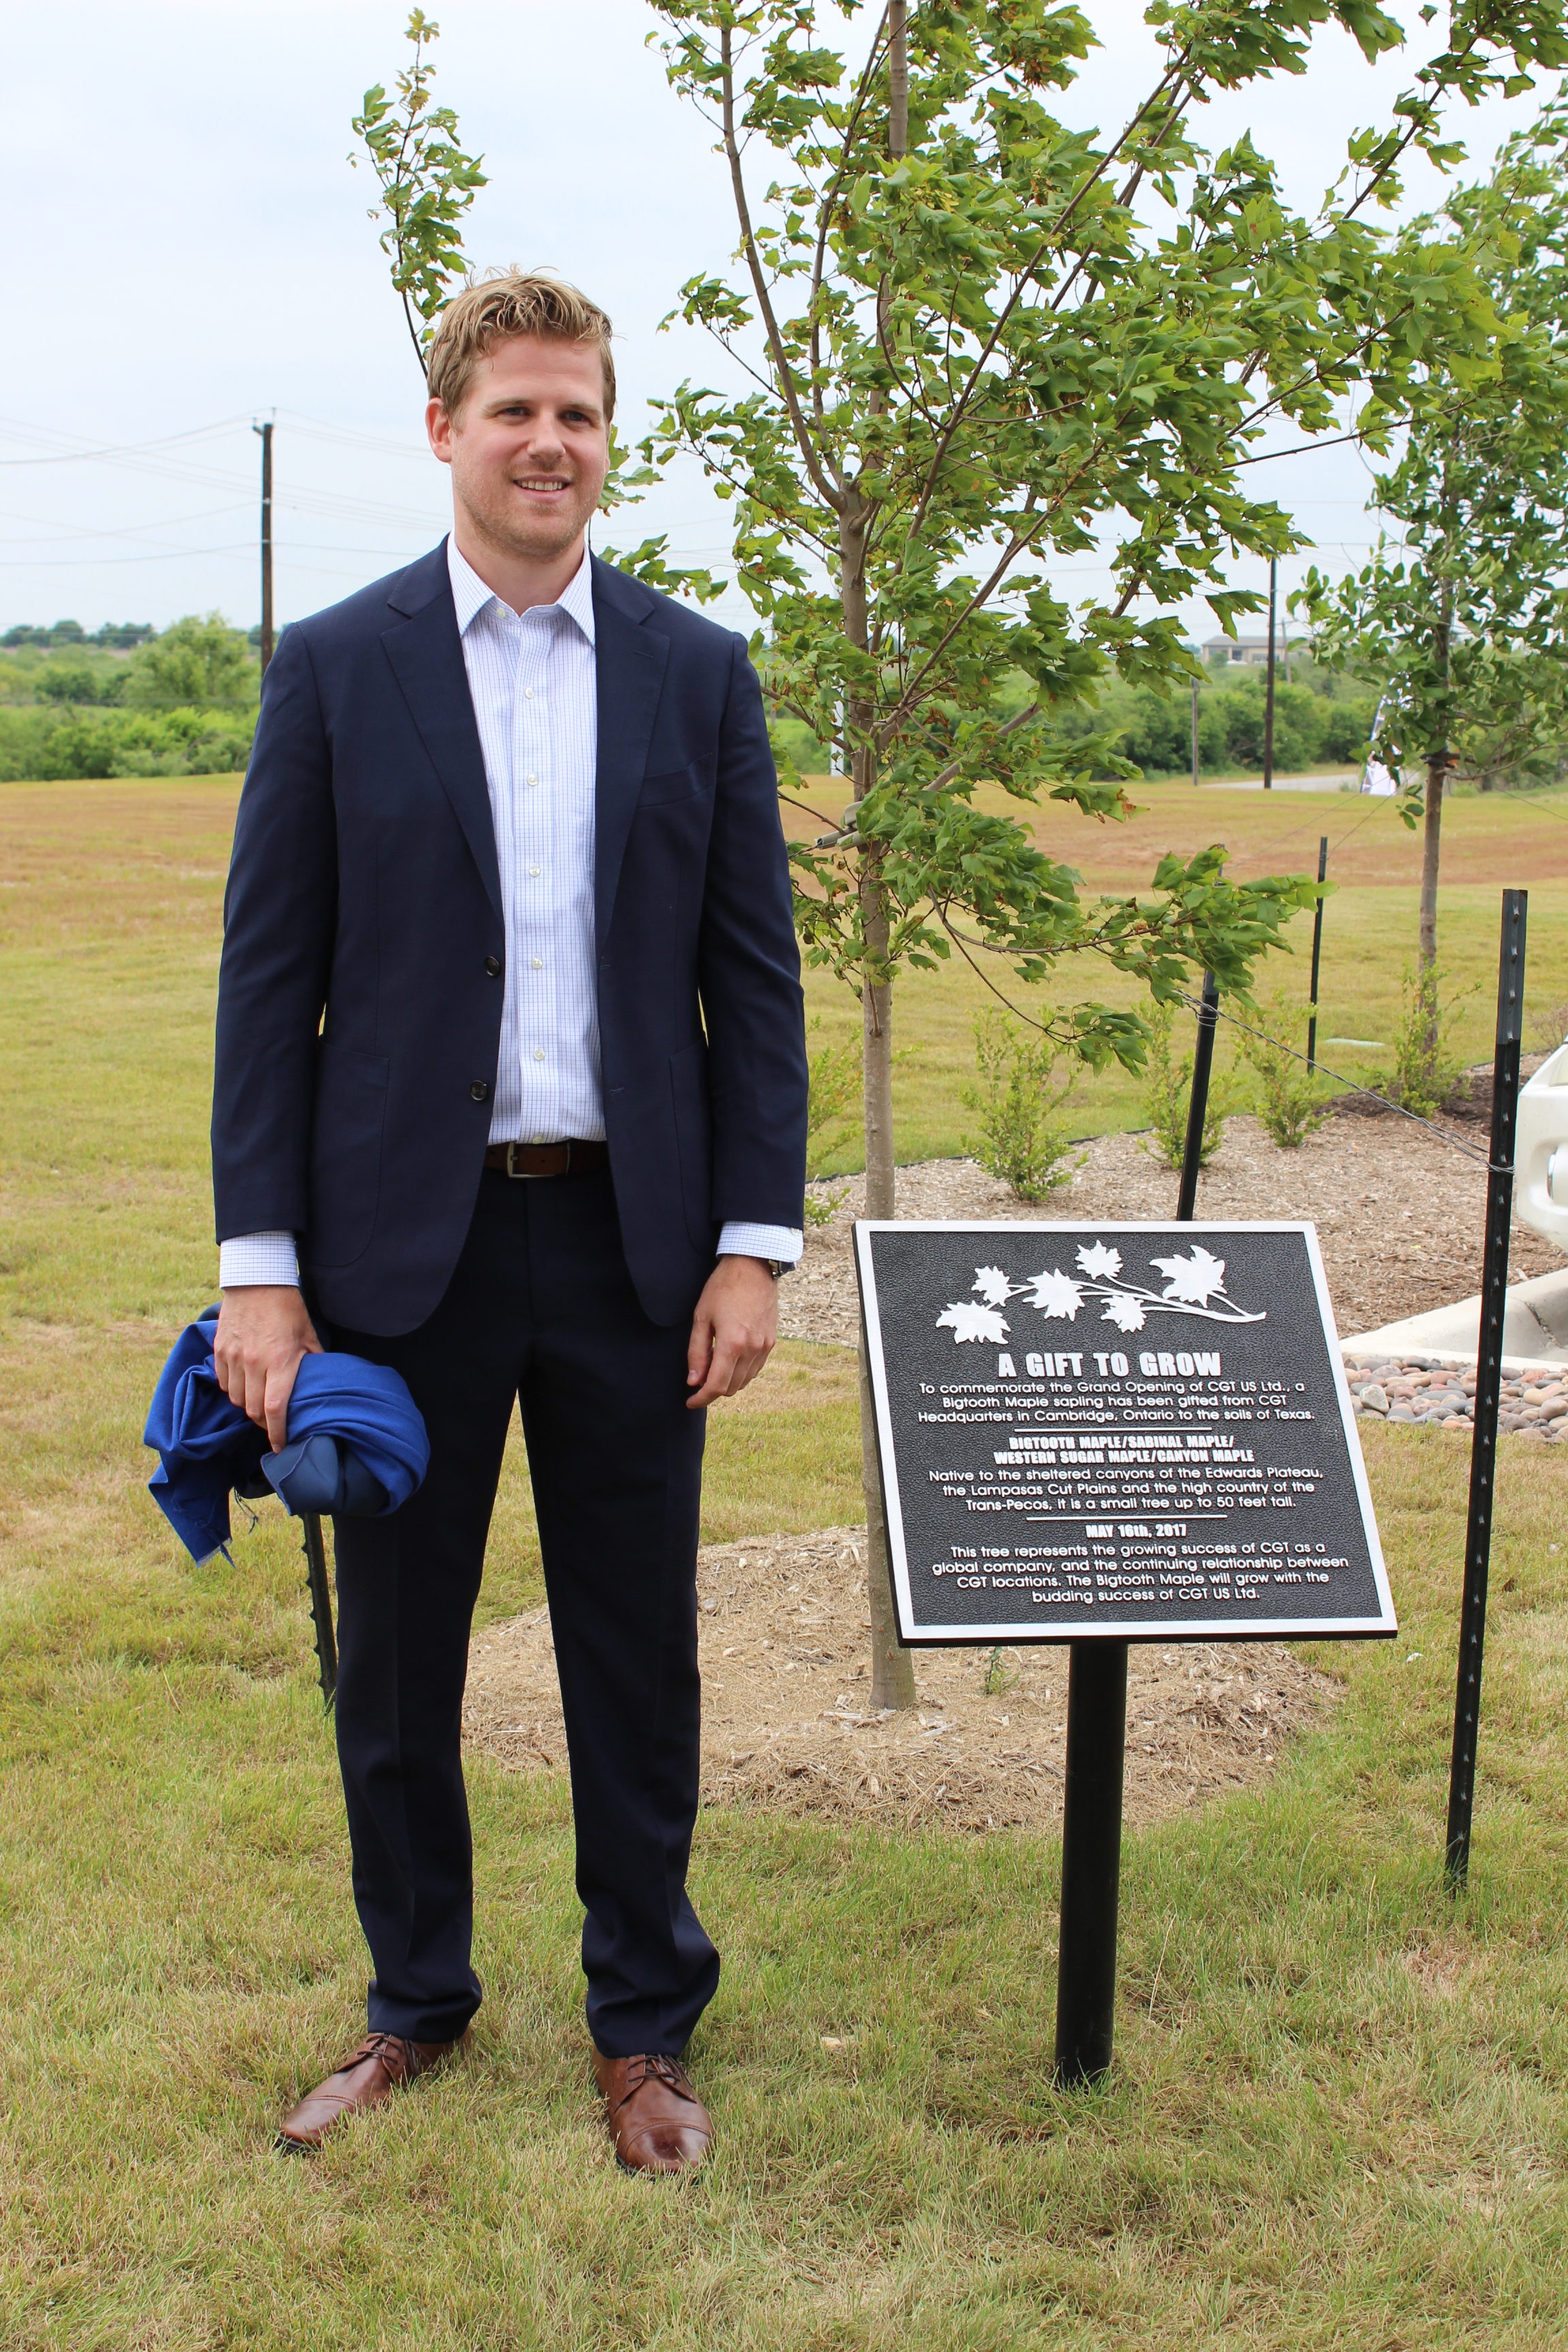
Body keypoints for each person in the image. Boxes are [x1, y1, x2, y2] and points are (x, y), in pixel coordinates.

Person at [210, 270, 808, 2174]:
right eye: (516, 412)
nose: (551, 444)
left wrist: (753, 1241)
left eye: (581, 414)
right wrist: (263, 1278)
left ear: (607, 438)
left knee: (637, 1651)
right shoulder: (335, 665)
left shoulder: (699, 673)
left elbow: (754, 985)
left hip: (635, 1252)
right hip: (402, 1256)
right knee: (396, 1660)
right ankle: (415, 2003)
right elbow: (267, 988)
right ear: (447, 430)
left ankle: (645, 2025)